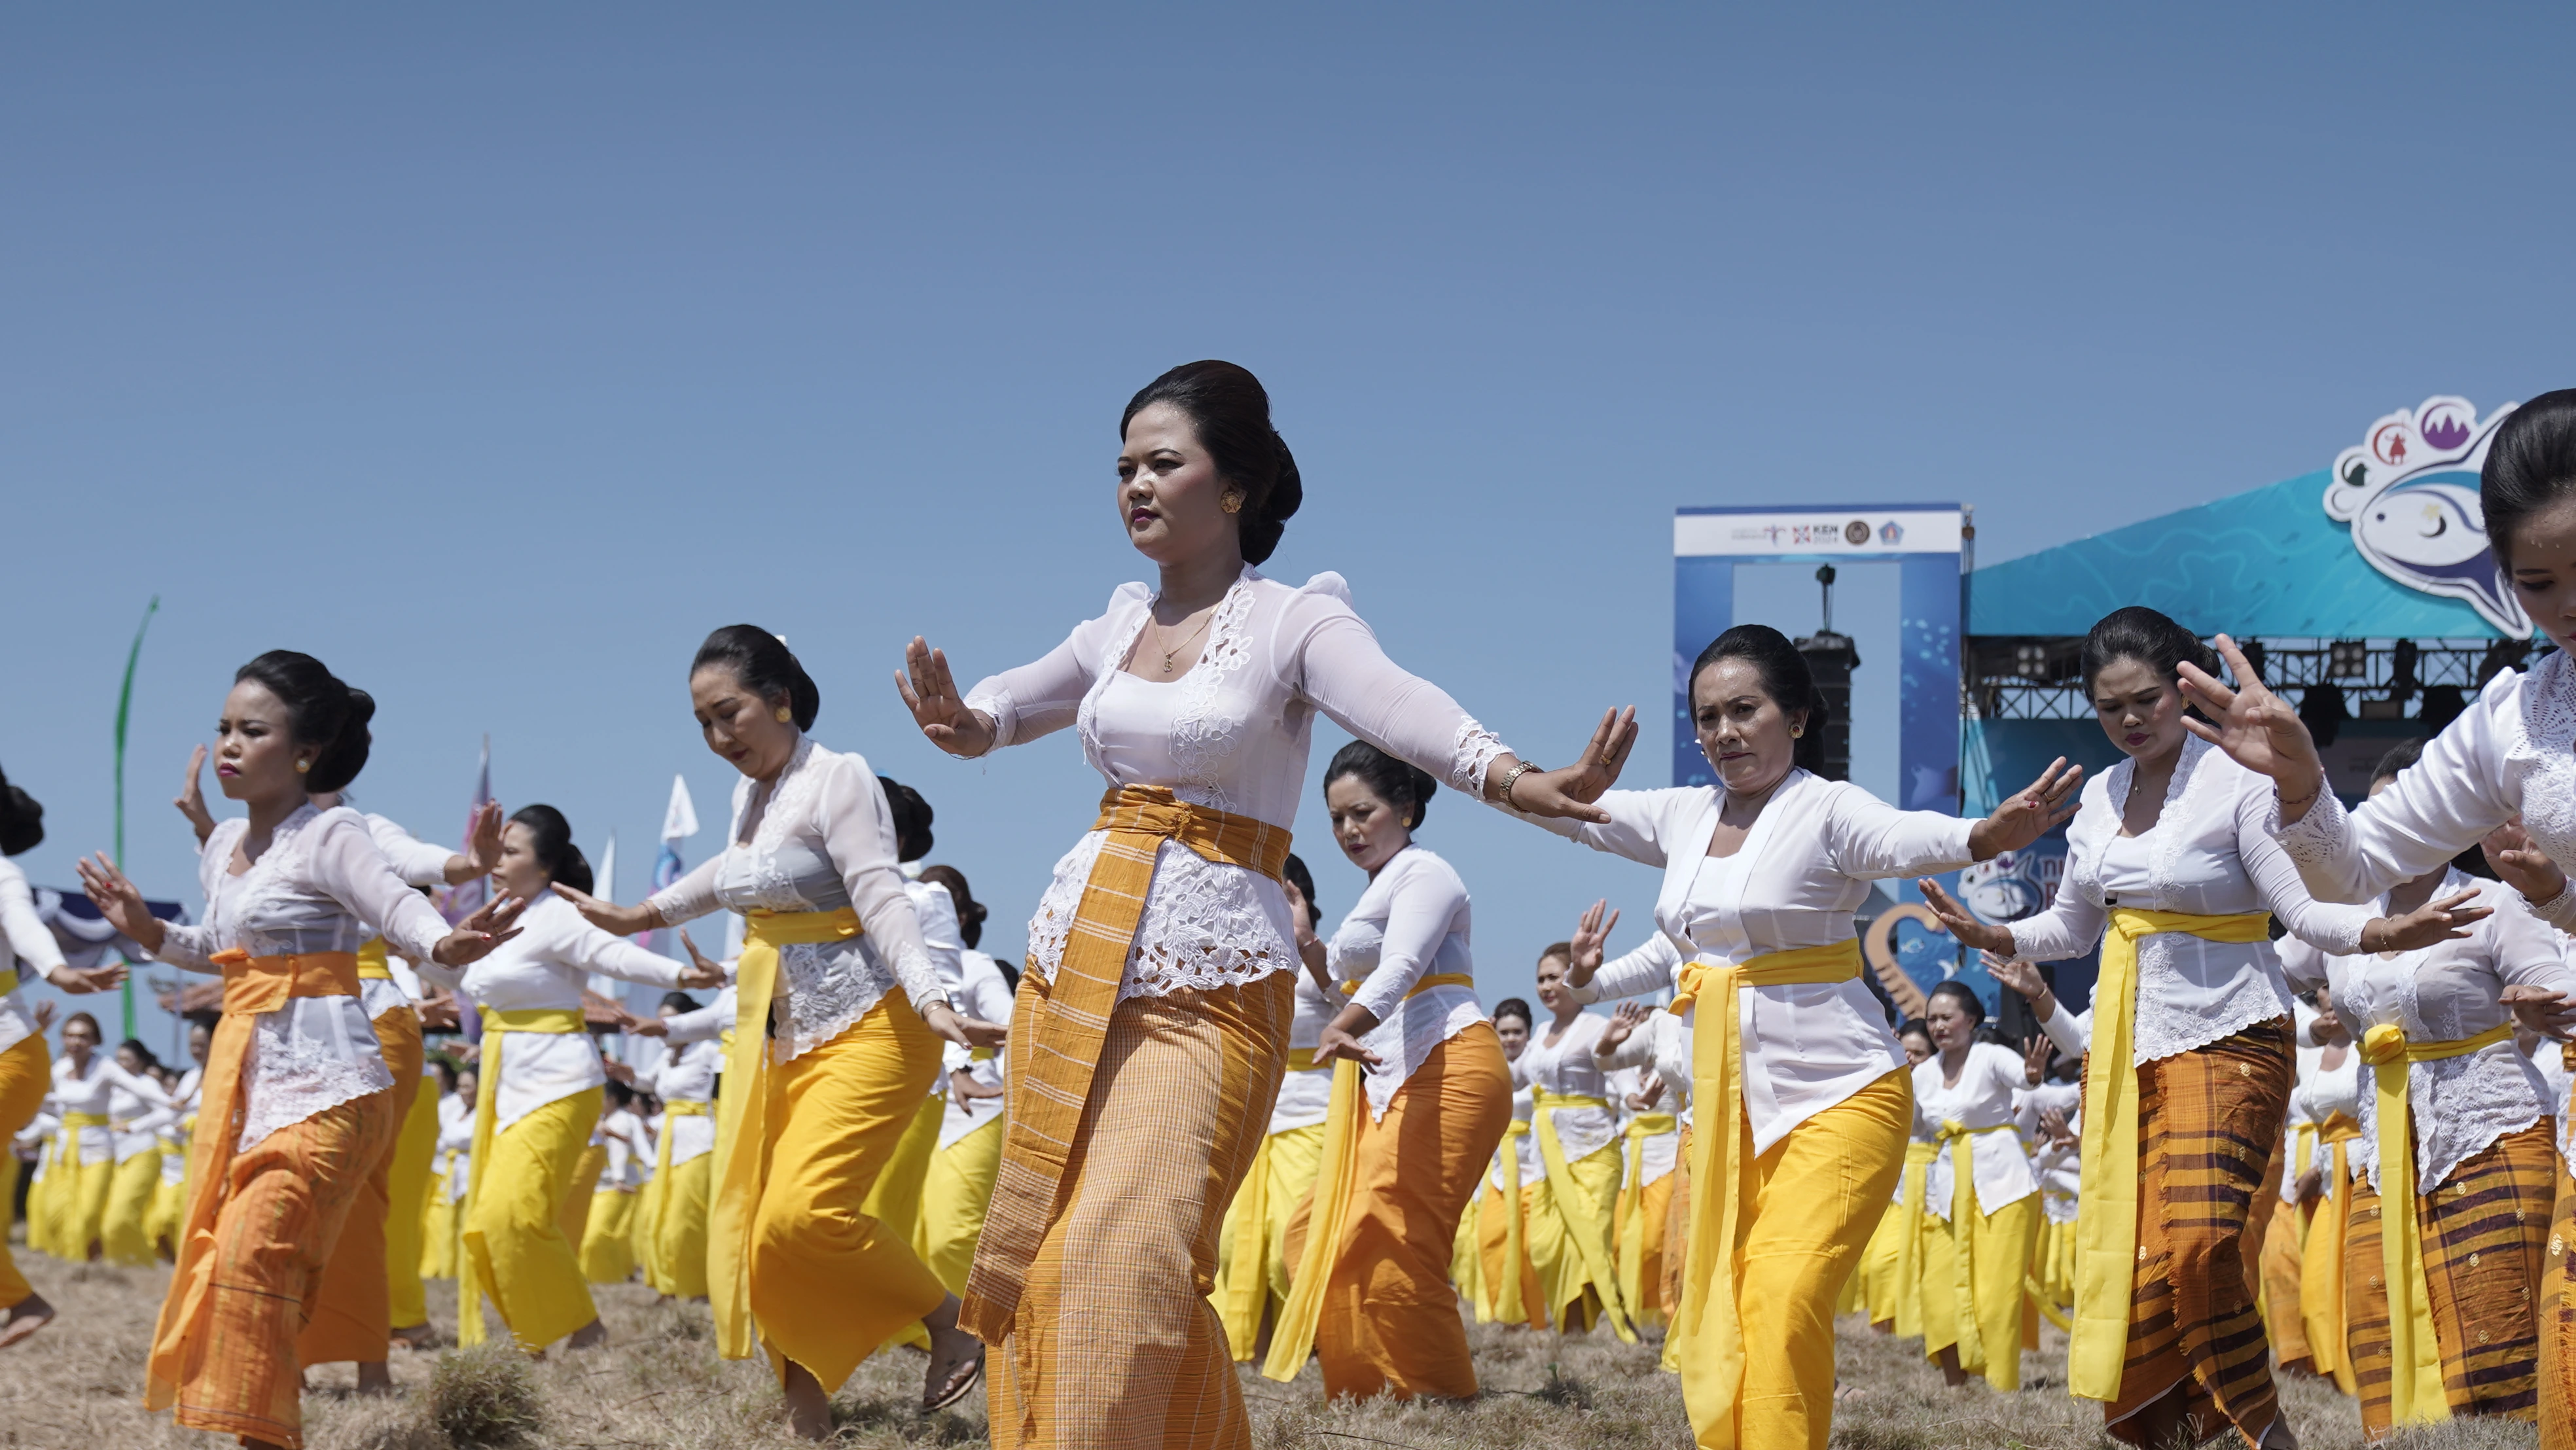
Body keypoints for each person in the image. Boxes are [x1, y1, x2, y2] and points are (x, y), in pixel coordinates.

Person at [894, 359, 1634, 1450]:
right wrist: (967, 720)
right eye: (1121, 468)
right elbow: (1015, 699)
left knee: (1135, 1261)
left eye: (1162, 463)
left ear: (1233, 485)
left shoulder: (1293, 623)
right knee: (1052, 1255)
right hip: (1077, 955)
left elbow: (1405, 710)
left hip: (1216, 971)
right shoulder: (1116, 625)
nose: (1135, 485)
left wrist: (1523, 779)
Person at [1919, 607, 2481, 1448]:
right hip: (2131, 1054)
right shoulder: (2101, 800)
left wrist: (2376, 931)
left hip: (2233, 1036)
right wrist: (1990, 934)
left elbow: (2299, 909)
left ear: (2184, 687)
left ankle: (2264, 1428)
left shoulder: (2238, 779)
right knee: (2149, 1258)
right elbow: (2071, 929)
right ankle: (2183, 1432)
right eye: (2111, 708)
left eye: (2146, 698)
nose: (2131, 719)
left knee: (2201, 1245)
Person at [1543, 623, 2079, 1449]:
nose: (1724, 732)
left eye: (1745, 710)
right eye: (1707, 716)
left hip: (1842, 1096)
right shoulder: (1683, 815)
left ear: (1795, 717)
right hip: (1729, 1114)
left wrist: (1984, 836)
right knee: (1732, 1293)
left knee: (1785, 1292)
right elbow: (1569, 810)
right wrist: (1496, 772)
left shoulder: (1828, 808)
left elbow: (1906, 837)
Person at [77, 650, 524, 1450]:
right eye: (223, 728)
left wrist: (449, 944)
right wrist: (144, 928)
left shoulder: (334, 833)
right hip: (247, 1086)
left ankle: (290, 1415)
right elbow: (211, 945)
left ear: (306, 752)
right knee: (245, 1266)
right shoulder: (221, 853)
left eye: (253, 730)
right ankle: (269, 1431)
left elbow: (396, 905)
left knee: (257, 1251)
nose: (229, 745)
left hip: (330, 1085)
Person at [561, 626, 1000, 1437]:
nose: (719, 737)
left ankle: (949, 1320)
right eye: (703, 722)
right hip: (785, 1037)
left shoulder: (841, 777)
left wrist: (935, 997)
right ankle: (807, 1422)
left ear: (781, 699)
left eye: (729, 713)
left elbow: (880, 894)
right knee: (766, 1236)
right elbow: (731, 874)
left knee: (804, 1216)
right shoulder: (751, 797)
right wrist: (639, 914)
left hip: (879, 1023)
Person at [2272, 741, 2575, 1432]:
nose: (2398, 835)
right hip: (2385, 1146)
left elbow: (2560, 985)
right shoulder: (2343, 912)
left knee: (2498, 1329)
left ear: (2450, 824)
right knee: (2379, 1315)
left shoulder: (2495, 903)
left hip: (2491, 1130)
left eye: (2418, 817)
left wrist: (2539, 1003)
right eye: (2381, 820)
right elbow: (2262, 974)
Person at [414, 804, 714, 1354]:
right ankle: (543, 1335)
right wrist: (406, 942)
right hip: (506, 1086)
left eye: (511, 851)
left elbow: (615, 955)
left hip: (560, 1083)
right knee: (486, 1224)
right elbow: (461, 974)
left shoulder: (558, 915)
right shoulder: (499, 915)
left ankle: (583, 1332)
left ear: (545, 863)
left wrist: (681, 975)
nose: (497, 861)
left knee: (513, 1216)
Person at [1262, 741, 1511, 1400]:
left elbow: (1400, 967)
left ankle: (1443, 1398)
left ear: (1405, 807)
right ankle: (1367, 1389)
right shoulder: (1374, 891)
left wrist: (1345, 1025)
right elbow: (1340, 991)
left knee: (1397, 1233)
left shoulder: (1426, 873)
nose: (1348, 831)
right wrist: (1308, 940)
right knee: (1312, 1229)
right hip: (1389, 1074)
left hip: (1452, 1061)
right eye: (1337, 818)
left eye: (1362, 813)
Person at [1909, 981, 2044, 1392]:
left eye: (1946, 1017)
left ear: (1970, 1020)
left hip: (2004, 1186)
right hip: (1950, 1190)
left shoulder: (1989, 1056)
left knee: (1996, 1292)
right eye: (1932, 1018)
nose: (1938, 1026)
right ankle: (1956, 1385)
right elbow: (1914, 1128)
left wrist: (2033, 1074)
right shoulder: (1923, 1074)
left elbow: (2025, 1077)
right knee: (1937, 1288)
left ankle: (2001, 1386)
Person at [1509, 943, 1633, 1341]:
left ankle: (1590, 1330)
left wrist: (1634, 1098)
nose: (1545, 986)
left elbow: (1617, 1072)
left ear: (1574, 978)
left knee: (1589, 1244)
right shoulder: (1541, 1033)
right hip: (1548, 1154)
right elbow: (1516, 1079)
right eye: (1541, 978)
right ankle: (1599, 1318)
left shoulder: (1596, 1025)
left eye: (1554, 977)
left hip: (1593, 1149)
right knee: (1545, 1247)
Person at [911, 864, 1019, 1312]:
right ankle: (933, 1334)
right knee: (914, 1234)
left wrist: (987, 1078)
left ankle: (987, 1330)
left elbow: (1013, 1027)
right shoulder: (906, 971)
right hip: (919, 1116)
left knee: (954, 1236)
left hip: (974, 1116)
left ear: (960, 918)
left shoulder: (978, 967)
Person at [46, 1012, 173, 1262]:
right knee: (54, 1215)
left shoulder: (105, 1067)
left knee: (89, 1214)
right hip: (65, 1149)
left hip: (100, 1151)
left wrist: (171, 1103)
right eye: (70, 1035)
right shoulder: (59, 1069)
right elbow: (39, 1095)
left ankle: (83, 1268)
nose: (76, 1042)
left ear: (95, 1040)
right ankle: (69, 1262)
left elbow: (142, 1091)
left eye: (83, 1036)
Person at [1856, 1020, 1937, 1341]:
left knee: (1928, 1271)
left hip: (1935, 1192)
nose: (1911, 1057)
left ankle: (1922, 1337)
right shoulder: (1888, 1079)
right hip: (1898, 1193)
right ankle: (1884, 1333)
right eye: (1906, 1049)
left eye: (1920, 1053)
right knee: (1878, 1264)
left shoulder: (1940, 1084)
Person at [1473, 997, 1546, 1329]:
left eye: (1517, 1032)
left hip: (1535, 1170)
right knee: (1489, 1241)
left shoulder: (1538, 1062)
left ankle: (1536, 1319)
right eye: (1504, 1032)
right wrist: (1483, 1042)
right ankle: (1504, 1315)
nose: (1511, 1038)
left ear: (1529, 1034)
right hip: (1497, 1171)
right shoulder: (1487, 1063)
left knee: (1531, 1249)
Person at [99, 1038, 173, 1266]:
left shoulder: (146, 1084)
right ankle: (120, 1266)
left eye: (127, 1060)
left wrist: (134, 1126)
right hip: (117, 1158)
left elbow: (168, 1112)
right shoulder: (112, 1088)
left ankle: (146, 1264)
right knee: (108, 1219)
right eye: (118, 1059)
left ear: (140, 1062)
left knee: (121, 1216)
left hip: (143, 1153)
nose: (121, 1065)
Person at [581, 1080, 649, 1283]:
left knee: (598, 1235)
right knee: (609, 1234)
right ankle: (605, 1276)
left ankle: (606, 1278)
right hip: (601, 1187)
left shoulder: (621, 1121)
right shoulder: (604, 1119)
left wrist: (619, 1179)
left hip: (618, 1187)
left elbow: (620, 1151)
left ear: (611, 1099)